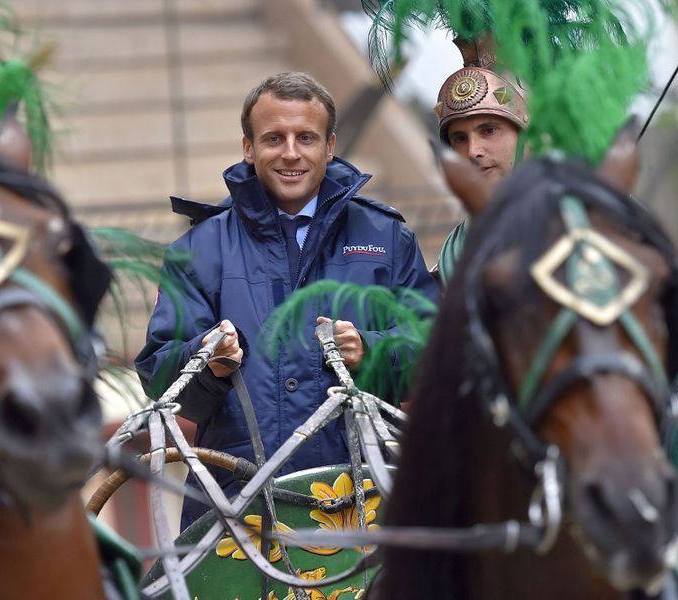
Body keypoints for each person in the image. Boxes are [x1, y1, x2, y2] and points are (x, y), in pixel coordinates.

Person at [136, 72, 437, 528]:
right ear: (248, 147)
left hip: (366, 501)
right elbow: (158, 376)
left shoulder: (387, 238)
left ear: (330, 145)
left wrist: (371, 351)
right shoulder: (197, 249)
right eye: (274, 138)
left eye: (306, 138)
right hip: (235, 511)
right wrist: (209, 364)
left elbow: (437, 352)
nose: (291, 153)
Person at [431, 37, 529, 286]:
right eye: (459, 138)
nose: (473, 151)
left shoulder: (589, 215)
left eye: (489, 130)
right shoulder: (455, 250)